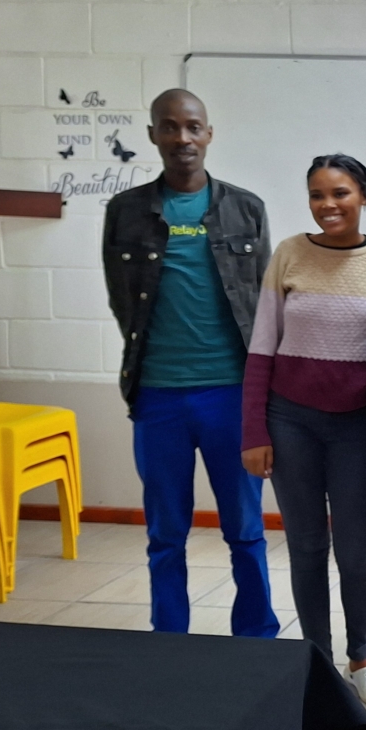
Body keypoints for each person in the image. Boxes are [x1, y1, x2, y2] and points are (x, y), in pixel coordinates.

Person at [240, 154, 366, 706]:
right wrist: (253, 431)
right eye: (317, 195)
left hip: (358, 425)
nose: (327, 204)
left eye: (340, 193)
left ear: (363, 195)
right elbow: (262, 346)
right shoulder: (289, 254)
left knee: (357, 550)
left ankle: (361, 657)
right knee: (307, 546)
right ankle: (316, 659)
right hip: (289, 420)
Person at [102, 88, 277, 638]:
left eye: (193, 127)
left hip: (231, 397)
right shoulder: (125, 211)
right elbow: (122, 301)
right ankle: (170, 641)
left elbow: (262, 306)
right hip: (158, 398)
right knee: (165, 533)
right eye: (170, 126)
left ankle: (255, 639)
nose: (182, 138)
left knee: (245, 529)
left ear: (208, 134)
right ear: (153, 134)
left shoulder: (245, 209)